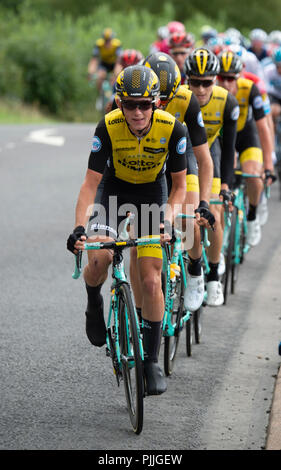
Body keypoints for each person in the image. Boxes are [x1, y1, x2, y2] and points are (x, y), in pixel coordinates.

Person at [67, 65, 188, 396]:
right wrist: (80, 227)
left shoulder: (173, 129)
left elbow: (179, 188)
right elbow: (90, 185)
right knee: (99, 258)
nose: (137, 112)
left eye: (144, 105)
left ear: (156, 104)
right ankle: (94, 300)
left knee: (151, 279)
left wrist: (167, 220)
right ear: (119, 103)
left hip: (152, 194)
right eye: (130, 104)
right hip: (114, 192)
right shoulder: (107, 127)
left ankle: (149, 361)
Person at [142, 51, 214, 313]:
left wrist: (204, 201)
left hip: (182, 163)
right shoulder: (134, 100)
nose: (158, 105)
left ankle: (196, 270)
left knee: (185, 218)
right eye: (154, 99)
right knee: (140, 234)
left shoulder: (186, 99)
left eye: (166, 99)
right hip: (150, 168)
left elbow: (204, 158)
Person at [185, 47, 240, 306]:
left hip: (212, 155)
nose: (201, 89)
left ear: (215, 81)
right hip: (184, 156)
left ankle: (214, 275)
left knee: (214, 212)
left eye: (207, 82)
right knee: (183, 211)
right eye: (195, 82)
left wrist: (226, 185)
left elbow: (229, 150)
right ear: (187, 80)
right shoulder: (180, 99)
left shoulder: (227, 101)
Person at [218, 50, 275, 247]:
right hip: (224, 139)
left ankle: (251, 216)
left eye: (230, 79)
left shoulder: (250, 88)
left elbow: (263, 127)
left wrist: (268, 165)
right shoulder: (212, 92)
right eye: (221, 78)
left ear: (239, 76)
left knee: (252, 174)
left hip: (247, 136)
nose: (225, 84)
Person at [87, 28, 122, 93]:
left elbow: (119, 59)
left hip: (114, 63)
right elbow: (94, 59)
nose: (107, 43)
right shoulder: (99, 44)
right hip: (104, 63)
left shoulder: (117, 45)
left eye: (109, 40)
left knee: (116, 77)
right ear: (103, 40)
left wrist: (116, 73)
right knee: (100, 76)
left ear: (112, 39)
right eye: (106, 41)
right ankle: (101, 94)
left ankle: (113, 92)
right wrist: (90, 72)